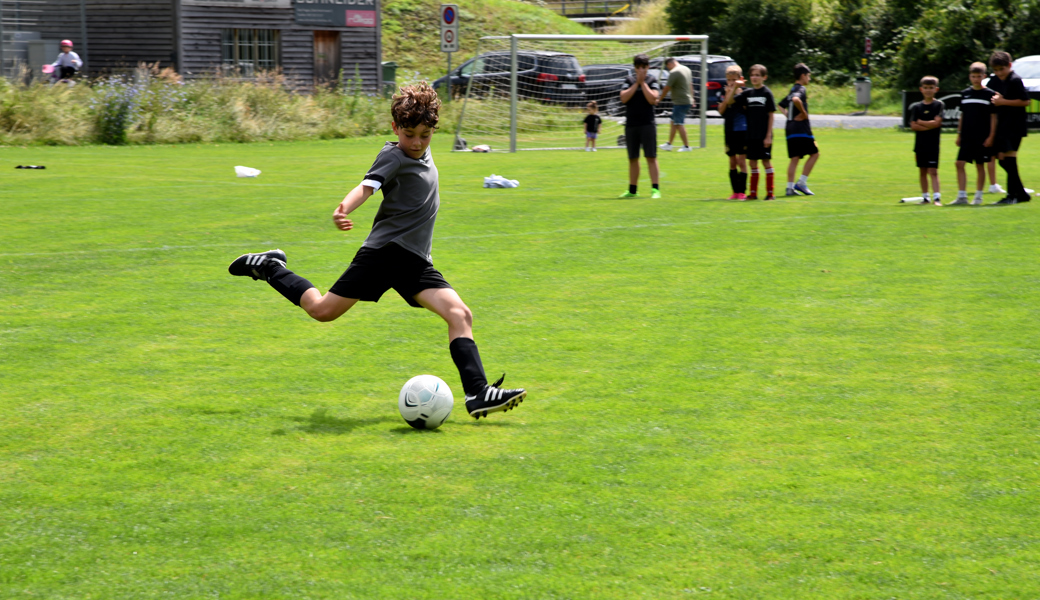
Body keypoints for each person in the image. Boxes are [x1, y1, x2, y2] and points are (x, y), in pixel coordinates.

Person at [226, 83, 527, 420]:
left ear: (433, 130)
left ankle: (477, 393)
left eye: (425, 135)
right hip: (385, 254)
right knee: (322, 310)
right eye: (409, 135)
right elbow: (367, 186)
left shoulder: (422, 150)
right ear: (396, 128)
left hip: (414, 260)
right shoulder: (393, 156)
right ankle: (270, 266)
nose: (417, 143)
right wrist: (344, 208)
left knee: (460, 314)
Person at [987, 51, 1032, 204]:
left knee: (1009, 160)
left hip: (1015, 126)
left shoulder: (1015, 80)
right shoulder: (996, 81)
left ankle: (1013, 196)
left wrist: (1003, 101)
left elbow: (1026, 101)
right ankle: (1021, 194)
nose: (999, 73)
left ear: (1010, 65)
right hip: (1002, 126)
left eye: (1002, 69)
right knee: (1003, 160)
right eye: (996, 70)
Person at [952, 62, 997, 205]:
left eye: (979, 76)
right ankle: (962, 197)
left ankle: (978, 197)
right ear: (969, 77)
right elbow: (962, 115)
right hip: (967, 136)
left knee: (979, 165)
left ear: (984, 76)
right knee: (959, 163)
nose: (976, 79)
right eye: (973, 76)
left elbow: (993, 117)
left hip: (982, 137)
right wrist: (959, 134)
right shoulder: (965, 93)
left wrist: (991, 136)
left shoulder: (990, 94)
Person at [618, 53, 661, 199]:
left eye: (644, 66)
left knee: (651, 157)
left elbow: (653, 99)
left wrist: (643, 83)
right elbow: (623, 98)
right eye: (638, 67)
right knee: (633, 158)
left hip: (647, 124)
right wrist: (636, 83)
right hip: (631, 124)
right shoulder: (629, 80)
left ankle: (655, 189)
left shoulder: (652, 80)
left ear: (648, 67)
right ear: (635, 68)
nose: (641, 69)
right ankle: (632, 190)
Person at [732, 64, 776, 200]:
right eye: (752, 75)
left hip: (764, 135)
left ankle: (770, 193)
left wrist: (768, 136)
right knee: (752, 163)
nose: (754, 77)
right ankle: (753, 194)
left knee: (766, 162)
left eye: (757, 75)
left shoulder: (767, 93)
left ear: (764, 77)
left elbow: (771, 115)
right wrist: (735, 86)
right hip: (751, 135)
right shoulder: (748, 93)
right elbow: (732, 100)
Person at [778, 63, 819, 196]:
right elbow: (796, 99)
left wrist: (789, 116)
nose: (809, 79)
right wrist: (803, 113)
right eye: (808, 76)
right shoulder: (801, 89)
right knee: (815, 153)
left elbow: (780, 105)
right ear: (802, 76)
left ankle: (789, 188)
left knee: (794, 158)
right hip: (801, 128)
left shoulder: (791, 90)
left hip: (790, 128)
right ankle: (801, 183)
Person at [909, 76, 944, 205]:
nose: (928, 90)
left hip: (933, 144)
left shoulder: (939, 105)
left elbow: (937, 123)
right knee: (922, 171)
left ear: (936, 89)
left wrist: (921, 122)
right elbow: (913, 125)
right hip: (920, 144)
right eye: (926, 88)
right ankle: (925, 198)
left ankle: (937, 198)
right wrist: (929, 125)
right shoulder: (917, 107)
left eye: (931, 88)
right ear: (921, 89)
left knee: (933, 171)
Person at [718, 65, 748, 199]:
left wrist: (737, 91)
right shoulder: (723, 91)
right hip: (729, 129)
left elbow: (747, 109)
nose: (731, 83)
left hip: (742, 129)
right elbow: (721, 111)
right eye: (729, 80)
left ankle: (742, 191)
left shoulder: (745, 92)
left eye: (734, 80)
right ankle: (735, 192)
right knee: (732, 161)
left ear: (740, 79)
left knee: (742, 161)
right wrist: (727, 95)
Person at [658, 57, 694, 152]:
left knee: (678, 123)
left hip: (680, 102)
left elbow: (667, 88)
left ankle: (686, 147)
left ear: (669, 64)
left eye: (668, 67)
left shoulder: (674, 72)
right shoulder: (686, 69)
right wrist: (692, 98)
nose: (669, 69)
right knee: (673, 121)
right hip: (686, 100)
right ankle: (669, 144)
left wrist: (659, 99)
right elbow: (690, 85)